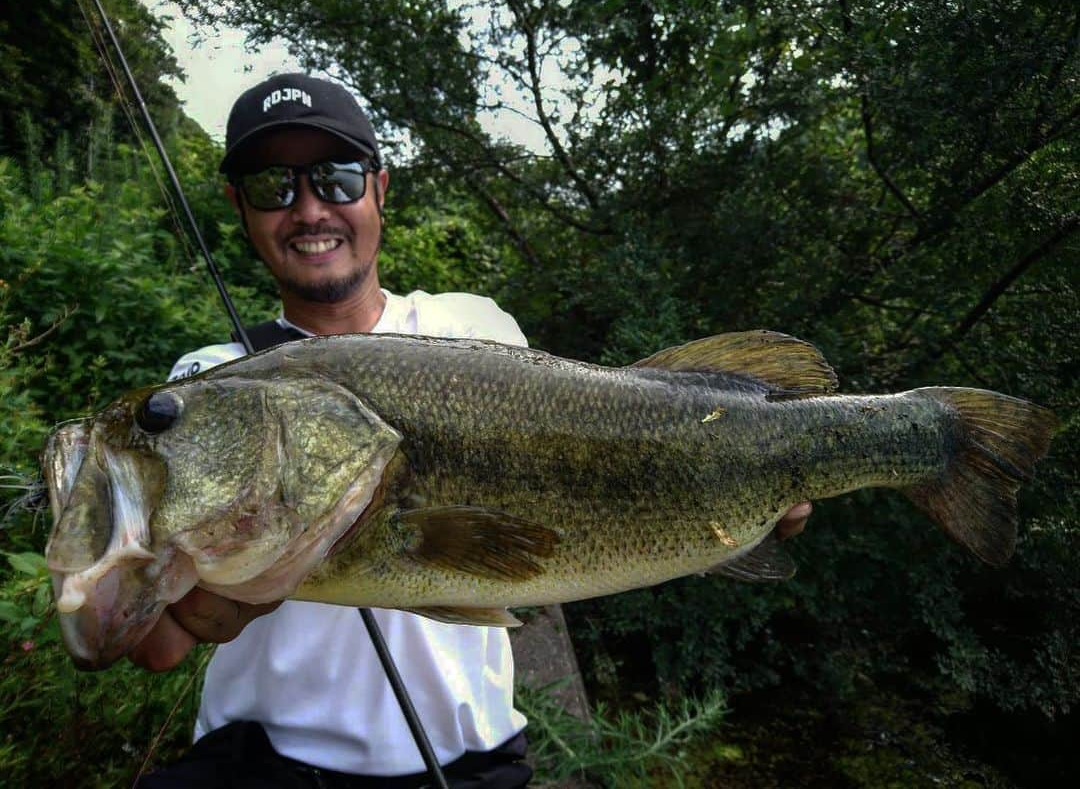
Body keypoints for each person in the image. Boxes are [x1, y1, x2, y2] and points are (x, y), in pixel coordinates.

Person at [132, 73, 813, 787]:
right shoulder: (207, 386)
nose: (308, 209)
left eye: (335, 178)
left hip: (468, 764)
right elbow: (157, 646)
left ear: (379, 190)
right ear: (239, 206)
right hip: (259, 768)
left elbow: (594, 472)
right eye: (274, 186)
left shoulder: (472, 329)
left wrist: (740, 489)